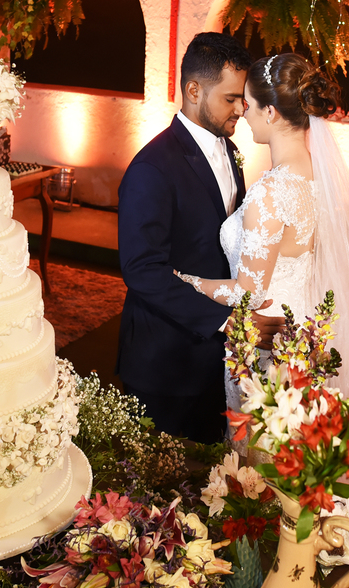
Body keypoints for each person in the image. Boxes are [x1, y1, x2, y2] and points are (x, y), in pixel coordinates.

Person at [177, 52, 349, 508]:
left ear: (271, 113)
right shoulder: (318, 180)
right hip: (303, 335)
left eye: (250, 104)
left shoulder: (273, 192)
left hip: (265, 342)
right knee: (294, 458)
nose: (243, 112)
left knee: (261, 462)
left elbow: (249, 291)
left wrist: (188, 280)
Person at [116, 33, 281, 444]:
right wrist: (229, 321)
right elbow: (141, 271)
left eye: (243, 99)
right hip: (167, 360)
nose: (242, 109)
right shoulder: (152, 168)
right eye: (230, 99)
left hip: (215, 359)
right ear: (194, 91)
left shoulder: (229, 150)